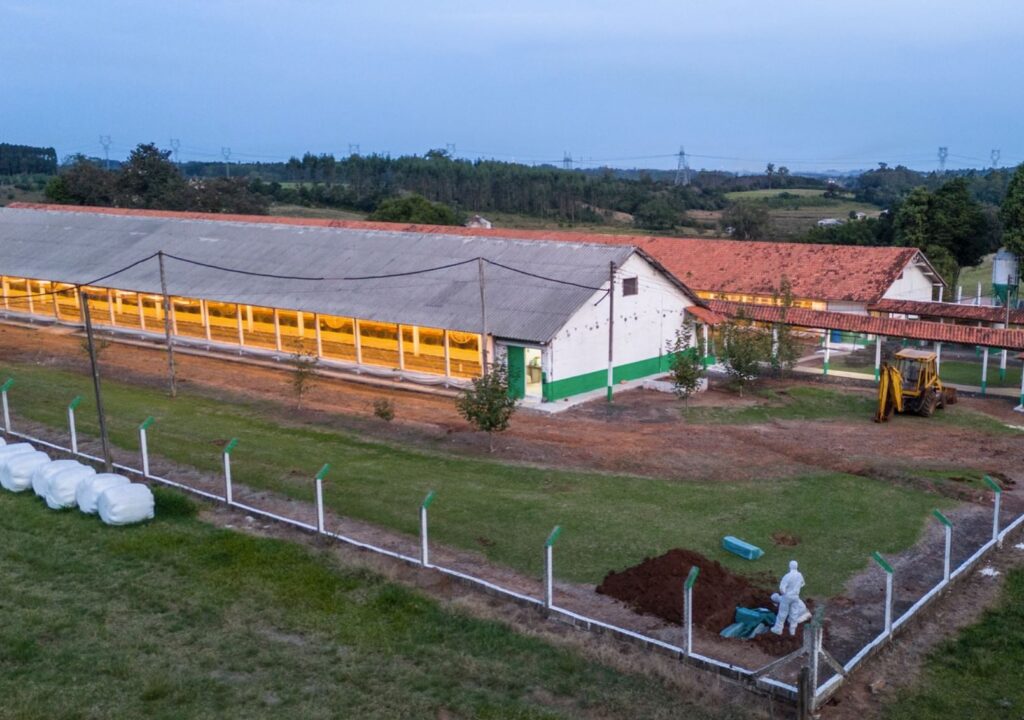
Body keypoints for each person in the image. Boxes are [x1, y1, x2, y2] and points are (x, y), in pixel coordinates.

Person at [771, 560, 811, 635]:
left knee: (782, 613)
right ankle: (792, 631)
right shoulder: (800, 575)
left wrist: (785, 593)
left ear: (790, 566)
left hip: (787, 596)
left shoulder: (787, 576)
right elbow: (802, 583)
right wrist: (796, 588)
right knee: (794, 613)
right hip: (795, 596)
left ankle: (778, 629)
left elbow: (782, 588)